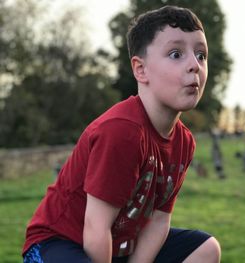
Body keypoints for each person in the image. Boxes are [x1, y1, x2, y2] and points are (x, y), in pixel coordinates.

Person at [22, 5, 221, 263]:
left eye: (201, 55)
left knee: (206, 249)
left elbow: (158, 220)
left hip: (121, 243)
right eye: (176, 54)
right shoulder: (122, 131)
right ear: (141, 70)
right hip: (60, 242)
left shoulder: (184, 142)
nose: (194, 65)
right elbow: (95, 228)